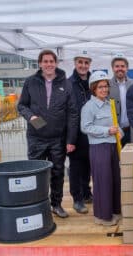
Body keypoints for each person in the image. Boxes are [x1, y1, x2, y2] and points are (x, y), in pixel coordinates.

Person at [18, 49, 79, 218]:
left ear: (56, 63)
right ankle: (36, 205)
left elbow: (73, 113)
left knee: (57, 172)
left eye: (51, 61)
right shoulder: (30, 82)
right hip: (36, 137)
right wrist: (32, 117)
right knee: (36, 173)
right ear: (40, 64)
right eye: (45, 61)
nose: (48, 64)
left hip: (57, 138)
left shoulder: (66, 84)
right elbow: (22, 106)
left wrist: (71, 139)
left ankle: (56, 204)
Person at [81, 71, 123, 226]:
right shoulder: (89, 106)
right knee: (103, 182)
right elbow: (85, 127)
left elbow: (115, 125)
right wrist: (107, 131)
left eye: (106, 86)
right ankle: (102, 216)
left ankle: (114, 210)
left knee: (115, 180)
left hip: (113, 147)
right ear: (93, 88)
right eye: (100, 87)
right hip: (99, 149)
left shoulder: (109, 103)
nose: (104, 90)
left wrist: (119, 131)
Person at [67, 51, 94, 214]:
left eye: (86, 62)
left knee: (88, 166)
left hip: (91, 133)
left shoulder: (94, 82)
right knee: (76, 168)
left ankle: (86, 193)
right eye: (80, 62)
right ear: (75, 63)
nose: (83, 66)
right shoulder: (68, 83)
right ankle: (77, 199)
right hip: (75, 133)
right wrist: (68, 137)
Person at [109, 53, 133, 146]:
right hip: (114, 131)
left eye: (122, 66)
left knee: (132, 159)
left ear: (127, 68)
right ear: (112, 68)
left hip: (131, 130)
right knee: (116, 159)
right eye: (117, 66)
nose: (120, 68)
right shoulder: (106, 86)